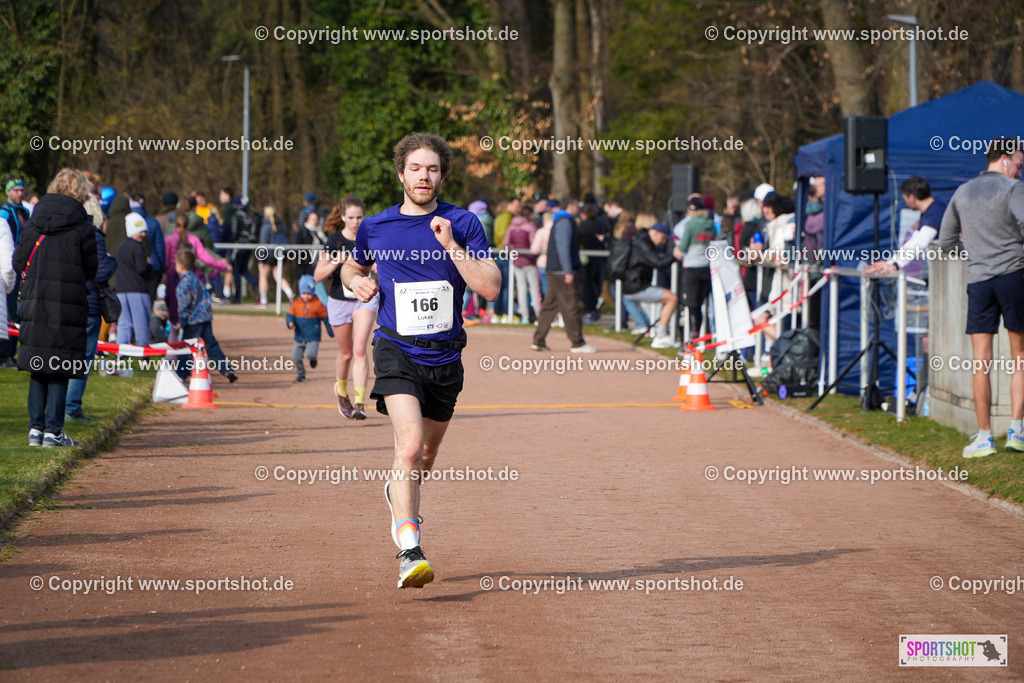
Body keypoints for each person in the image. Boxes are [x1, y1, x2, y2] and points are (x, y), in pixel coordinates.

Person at [341, 132, 500, 588]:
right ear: (401, 174)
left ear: (443, 175)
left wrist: (451, 245)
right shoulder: (376, 226)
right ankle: (409, 548)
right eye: (415, 168)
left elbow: (491, 287)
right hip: (395, 349)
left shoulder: (464, 222)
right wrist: (356, 282)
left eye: (432, 169)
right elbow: (354, 265)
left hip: (446, 357)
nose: (423, 176)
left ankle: (399, 490)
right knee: (408, 446)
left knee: (425, 456)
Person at [937, 136, 1024, 458]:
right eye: (1017, 165)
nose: (1019, 172)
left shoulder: (962, 191)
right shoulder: (1013, 189)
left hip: (979, 281)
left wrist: (974, 251)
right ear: (1004, 159)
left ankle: (984, 438)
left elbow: (945, 242)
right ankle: (1016, 431)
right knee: (1020, 358)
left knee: (980, 363)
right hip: (1013, 276)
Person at [14, 168, 98, 448]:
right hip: (68, 301)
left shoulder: (34, 219)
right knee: (60, 365)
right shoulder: (83, 225)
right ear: (80, 191)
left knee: (38, 366)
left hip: (36, 299)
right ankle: (53, 431)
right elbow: (91, 268)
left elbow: (18, 261)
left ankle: (35, 430)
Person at [315, 196, 379, 419]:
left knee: (361, 348)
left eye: (360, 217)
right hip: (339, 301)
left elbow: (380, 266)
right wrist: (337, 261)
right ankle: (342, 391)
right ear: (342, 217)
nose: (355, 221)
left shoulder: (370, 238)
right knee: (346, 353)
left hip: (365, 299)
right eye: (351, 217)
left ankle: (360, 403)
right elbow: (317, 276)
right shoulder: (333, 241)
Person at [66, 202, 117, 421]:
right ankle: (72, 407)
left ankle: (64, 405)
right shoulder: (94, 236)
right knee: (83, 359)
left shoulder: (67, 234)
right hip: (90, 303)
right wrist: (111, 260)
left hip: (70, 302)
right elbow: (101, 272)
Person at [531, 195, 596, 353]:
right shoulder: (565, 221)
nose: (579, 208)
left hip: (555, 270)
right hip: (562, 271)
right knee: (572, 305)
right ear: (571, 204)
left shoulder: (559, 220)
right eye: (577, 204)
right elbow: (563, 246)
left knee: (549, 306)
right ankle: (577, 343)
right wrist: (568, 270)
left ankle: (538, 341)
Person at [174, 247, 238, 383]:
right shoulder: (197, 280)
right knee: (211, 345)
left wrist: (182, 320)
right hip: (205, 318)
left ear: (180, 265)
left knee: (187, 348)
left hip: (192, 321)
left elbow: (184, 304)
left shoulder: (183, 284)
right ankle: (225, 369)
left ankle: (181, 374)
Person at [866, 176, 946, 280]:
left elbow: (919, 243)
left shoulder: (936, 211)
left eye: (905, 199)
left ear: (912, 198)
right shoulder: (932, 208)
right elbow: (914, 241)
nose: (906, 203)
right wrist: (889, 263)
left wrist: (895, 265)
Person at [164, 214, 229, 336]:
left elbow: (165, 260)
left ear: (174, 225)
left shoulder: (168, 240)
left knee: (174, 318)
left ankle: (172, 353)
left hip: (173, 278)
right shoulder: (193, 239)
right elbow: (206, 257)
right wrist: (222, 265)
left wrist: (163, 274)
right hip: (190, 275)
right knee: (192, 311)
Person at [619, 220, 680, 348]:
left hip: (632, 285)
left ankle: (654, 330)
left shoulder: (640, 240)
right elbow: (657, 263)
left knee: (667, 297)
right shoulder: (643, 244)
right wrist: (675, 256)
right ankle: (660, 336)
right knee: (672, 298)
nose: (663, 242)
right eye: (663, 238)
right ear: (657, 233)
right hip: (636, 287)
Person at [675, 196, 716, 340]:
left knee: (693, 303)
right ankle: (708, 334)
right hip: (707, 266)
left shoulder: (690, 224)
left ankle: (694, 334)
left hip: (691, 267)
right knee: (706, 302)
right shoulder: (711, 223)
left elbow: (683, 245)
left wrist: (678, 250)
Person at [0, 176, 30, 367]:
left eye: (22, 190)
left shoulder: (25, 212)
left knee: (18, 312)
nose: (20, 193)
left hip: (24, 267)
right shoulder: (5, 214)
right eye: (16, 190)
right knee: (9, 312)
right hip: (9, 266)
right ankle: (4, 355)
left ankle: (12, 351)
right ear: (8, 192)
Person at [115, 213, 153, 347]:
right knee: (140, 322)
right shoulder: (137, 248)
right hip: (137, 290)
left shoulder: (120, 247)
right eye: (140, 231)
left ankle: (122, 350)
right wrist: (150, 266)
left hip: (121, 290)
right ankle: (144, 351)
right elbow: (141, 268)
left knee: (124, 323)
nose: (143, 234)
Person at [287, 275, 333, 383]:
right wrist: (290, 322)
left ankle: (313, 359)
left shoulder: (318, 304)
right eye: (303, 293)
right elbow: (290, 315)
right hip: (299, 335)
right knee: (296, 357)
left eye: (309, 293)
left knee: (310, 354)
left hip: (313, 335)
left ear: (313, 292)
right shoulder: (296, 303)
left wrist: (330, 331)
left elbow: (326, 318)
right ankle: (301, 375)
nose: (306, 296)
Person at [503, 205, 540, 324]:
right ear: (529, 215)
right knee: (535, 289)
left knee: (521, 289)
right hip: (530, 261)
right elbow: (534, 245)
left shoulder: (511, 227)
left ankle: (525, 316)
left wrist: (515, 250)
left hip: (516, 261)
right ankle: (539, 315)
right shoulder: (530, 227)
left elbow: (506, 243)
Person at [258, 205, 295, 306]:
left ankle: (264, 300)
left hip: (268, 255)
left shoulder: (265, 226)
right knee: (278, 276)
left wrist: (261, 257)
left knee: (263, 276)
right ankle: (290, 294)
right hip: (280, 254)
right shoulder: (281, 225)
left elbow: (263, 243)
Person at [228, 197, 260, 302]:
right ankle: (256, 286)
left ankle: (237, 296)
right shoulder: (250, 216)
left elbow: (234, 232)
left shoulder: (236, 216)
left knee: (236, 270)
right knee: (243, 270)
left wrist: (230, 244)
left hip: (239, 246)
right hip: (249, 246)